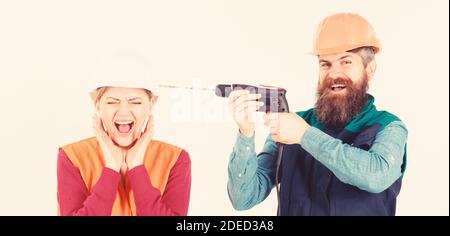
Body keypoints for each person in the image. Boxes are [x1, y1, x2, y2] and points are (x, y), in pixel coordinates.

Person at [227, 13, 408, 215]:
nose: (333, 73)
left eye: (346, 62)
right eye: (325, 64)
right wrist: (246, 132)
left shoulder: (389, 126)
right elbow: (243, 198)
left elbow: (376, 176)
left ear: (370, 69)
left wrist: (304, 136)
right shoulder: (292, 124)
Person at [57, 53, 191, 216]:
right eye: (112, 101)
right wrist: (111, 169)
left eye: (135, 102)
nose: (124, 112)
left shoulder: (175, 160)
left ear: (151, 105)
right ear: (98, 106)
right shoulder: (72, 158)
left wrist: (137, 168)